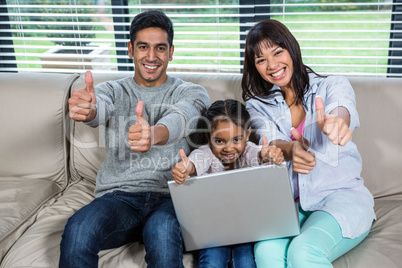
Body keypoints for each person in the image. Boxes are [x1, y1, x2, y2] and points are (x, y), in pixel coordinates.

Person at [60, 10, 210, 267]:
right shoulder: (112, 90)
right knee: (78, 230)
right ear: (130, 49)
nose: (151, 57)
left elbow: (184, 115)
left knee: (162, 232)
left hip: (171, 197)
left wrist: (155, 134)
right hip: (119, 198)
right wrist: (89, 109)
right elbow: (99, 107)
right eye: (143, 47)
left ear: (171, 52)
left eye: (160, 48)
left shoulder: (190, 91)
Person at [241, 19, 376, 267]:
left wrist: (337, 123)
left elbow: (341, 108)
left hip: (340, 198)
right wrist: (292, 149)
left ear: (291, 49)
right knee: (266, 254)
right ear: (255, 67)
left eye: (277, 52)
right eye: (261, 60)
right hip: (289, 206)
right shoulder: (257, 106)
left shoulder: (331, 85)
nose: (272, 65)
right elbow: (270, 139)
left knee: (303, 251)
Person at [172, 99, 284, 268]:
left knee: (245, 263)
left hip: (247, 229)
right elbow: (197, 162)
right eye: (220, 141)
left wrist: (266, 155)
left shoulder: (248, 150)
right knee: (211, 262)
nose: (229, 148)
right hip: (212, 230)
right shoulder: (206, 153)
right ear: (209, 137)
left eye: (236, 140)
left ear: (247, 134)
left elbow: (256, 155)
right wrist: (187, 168)